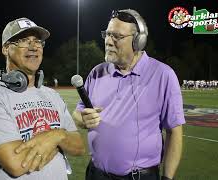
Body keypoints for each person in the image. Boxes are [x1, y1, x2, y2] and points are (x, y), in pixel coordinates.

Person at [72, 9, 185, 180]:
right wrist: (83, 119)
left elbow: (174, 131)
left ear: (138, 42)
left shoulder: (163, 74)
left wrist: (167, 178)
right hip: (96, 173)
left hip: (138, 176)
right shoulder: (97, 72)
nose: (108, 41)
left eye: (117, 36)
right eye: (107, 34)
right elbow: (78, 113)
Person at [0, 17, 85, 180]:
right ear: (6, 49)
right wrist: (59, 144)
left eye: (37, 41)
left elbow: (78, 146)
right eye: (24, 40)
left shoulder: (53, 95)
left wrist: (58, 135)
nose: (33, 47)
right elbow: (17, 164)